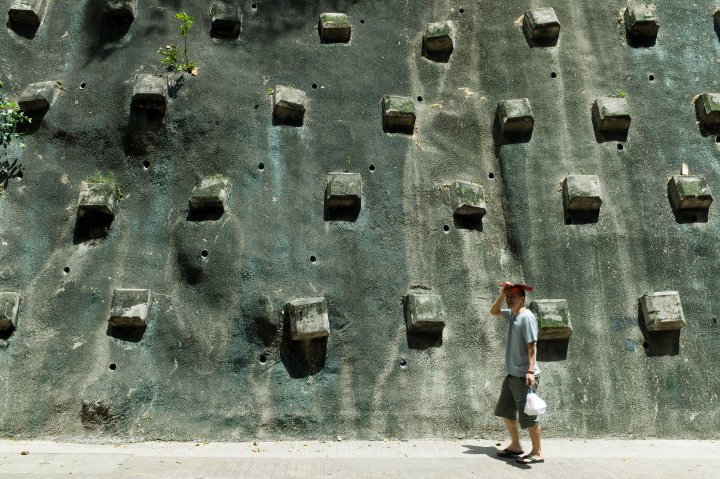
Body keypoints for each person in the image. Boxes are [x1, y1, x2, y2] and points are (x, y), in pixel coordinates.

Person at [489, 282, 544, 464]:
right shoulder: (512, 315)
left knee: (528, 416)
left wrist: (529, 370)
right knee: (506, 411)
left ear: (522, 299)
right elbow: (494, 312)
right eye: (507, 296)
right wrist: (501, 293)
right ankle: (515, 446)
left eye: (513, 296)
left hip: (524, 376)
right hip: (512, 375)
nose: (509, 299)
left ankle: (537, 452)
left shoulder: (526, 317)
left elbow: (532, 346)